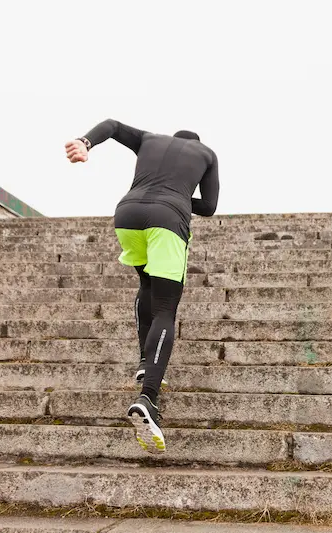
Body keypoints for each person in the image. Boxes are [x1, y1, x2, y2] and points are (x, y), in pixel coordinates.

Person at [65, 119, 219, 454]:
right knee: (165, 308)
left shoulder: (149, 138)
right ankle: (148, 398)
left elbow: (113, 126)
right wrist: (179, 195)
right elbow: (209, 207)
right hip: (168, 220)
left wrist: (85, 142)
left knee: (146, 282)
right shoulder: (206, 153)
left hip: (127, 213)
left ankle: (144, 360)